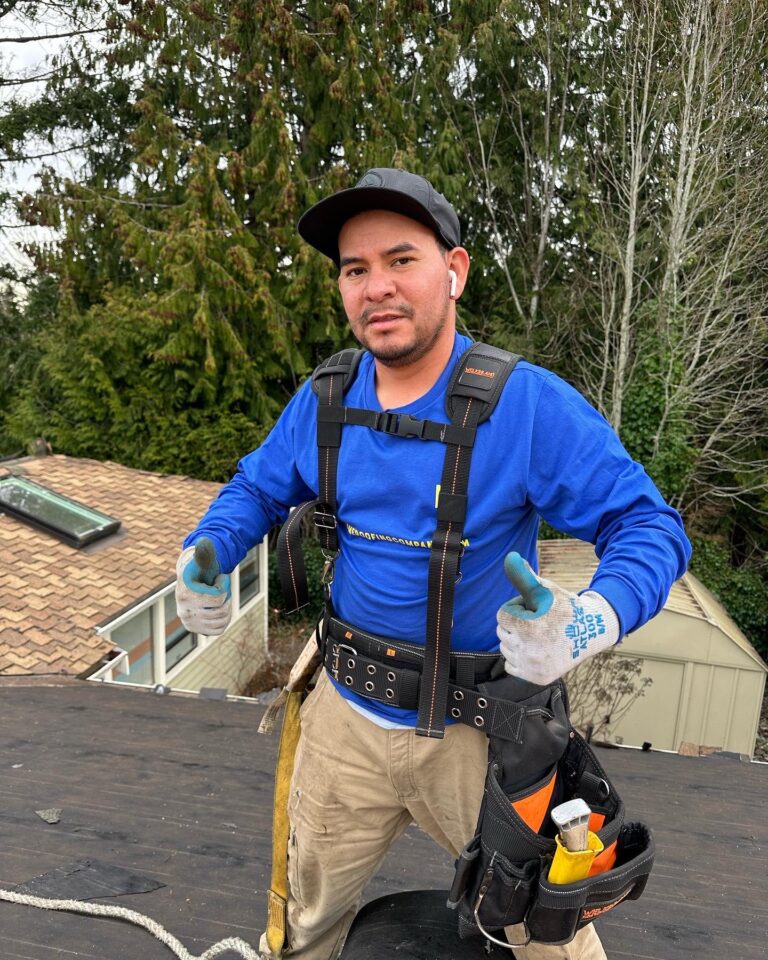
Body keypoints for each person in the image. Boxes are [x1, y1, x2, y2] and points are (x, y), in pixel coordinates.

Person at [176, 168, 691, 960]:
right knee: (303, 928)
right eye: (355, 269)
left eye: (401, 259)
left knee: (547, 939)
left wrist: (591, 618)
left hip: (483, 734)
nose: (376, 287)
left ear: (454, 271)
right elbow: (256, 486)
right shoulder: (326, 399)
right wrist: (206, 552)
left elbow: (649, 526)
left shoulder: (526, 407)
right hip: (344, 718)